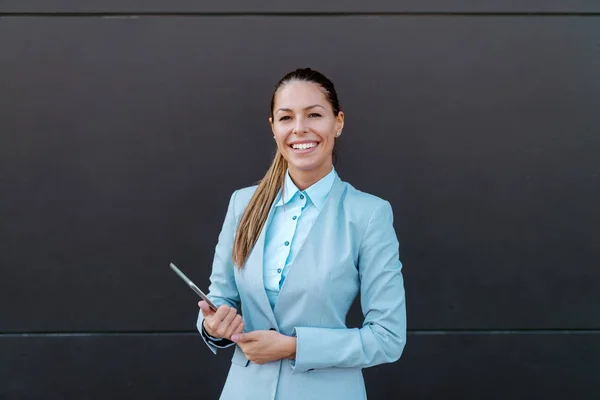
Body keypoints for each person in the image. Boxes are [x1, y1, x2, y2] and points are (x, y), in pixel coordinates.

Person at [196, 67, 407, 400]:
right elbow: (221, 297)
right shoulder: (243, 204)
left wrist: (293, 348)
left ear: (337, 122)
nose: (299, 129)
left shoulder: (368, 215)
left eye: (314, 115)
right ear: (273, 128)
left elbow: (387, 338)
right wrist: (213, 325)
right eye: (286, 118)